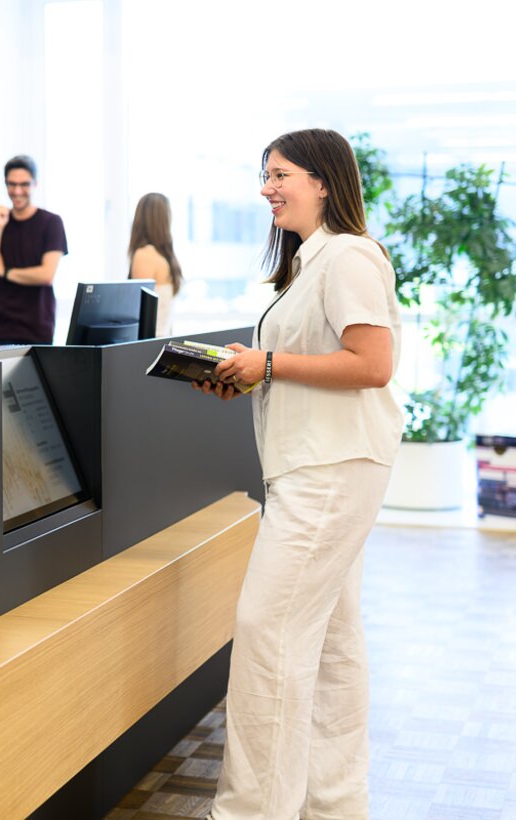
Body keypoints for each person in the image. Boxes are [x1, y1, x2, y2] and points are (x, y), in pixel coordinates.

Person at [199, 129, 403, 820]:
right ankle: (334, 806)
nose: (266, 188)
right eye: (264, 175)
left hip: (329, 473)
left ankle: (252, 812)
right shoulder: (311, 263)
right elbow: (318, 362)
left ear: (323, 181)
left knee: (268, 630)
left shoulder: (347, 256)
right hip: (317, 469)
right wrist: (250, 375)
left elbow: (373, 364)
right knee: (333, 641)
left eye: (279, 173)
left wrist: (271, 366)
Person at [0, 155, 68, 345]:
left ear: (35, 184)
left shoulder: (51, 223)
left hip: (38, 330)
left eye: (24, 184)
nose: (17, 191)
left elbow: (46, 275)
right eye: (11, 184)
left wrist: (5, 272)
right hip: (0, 330)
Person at [128, 192, 182, 336]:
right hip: (161, 339)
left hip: (149, 343)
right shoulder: (165, 257)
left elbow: (139, 311)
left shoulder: (144, 255)